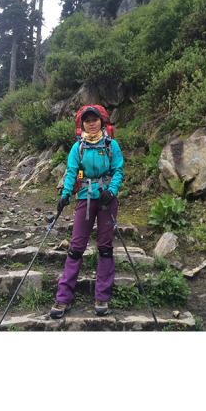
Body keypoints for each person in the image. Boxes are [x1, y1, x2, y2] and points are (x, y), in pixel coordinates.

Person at [50, 105, 124, 319]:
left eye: (95, 120)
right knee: (76, 247)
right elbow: (72, 172)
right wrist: (65, 194)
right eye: (87, 120)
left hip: (106, 199)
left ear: (102, 122)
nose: (91, 123)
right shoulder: (78, 147)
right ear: (82, 124)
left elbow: (118, 170)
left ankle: (102, 297)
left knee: (105, 247)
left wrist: (111, 190)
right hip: (84, 197)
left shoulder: (111, 145)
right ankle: (63, 297)